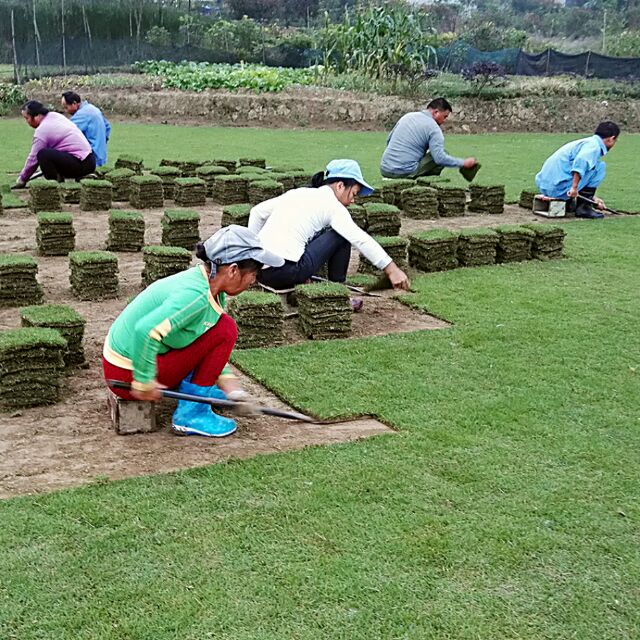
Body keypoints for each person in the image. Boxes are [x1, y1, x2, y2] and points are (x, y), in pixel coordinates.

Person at [103, 225, 285, 438]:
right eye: (254, 273)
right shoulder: (195, 296)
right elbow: (145, 330)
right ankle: (191, 414)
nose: (254, 280)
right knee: (226, 329)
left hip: (130, 362)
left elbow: (202, 340)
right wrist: (143, 381)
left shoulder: (210, 286)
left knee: (220, 328)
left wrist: (229, 384)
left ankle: (197, 394)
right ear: (233, 270)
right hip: (125, 373)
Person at [248, 159, 410, 294]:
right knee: (341, 236)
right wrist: (392, 269)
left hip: (261, 272)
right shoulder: (333, 206)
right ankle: (336, 290)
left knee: (319, 234)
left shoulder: (298, 193)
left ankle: (307, 279)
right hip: (287, 272)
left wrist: (251, 259)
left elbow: (256, 212)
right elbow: (360, 239)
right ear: (340, 186)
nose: (352, 200)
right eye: (353, 193)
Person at [535, 121, 620, 219]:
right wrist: (574, 188)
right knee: (599, 167)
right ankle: (584, 208)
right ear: (611, 138)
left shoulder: (586, 142)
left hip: (545, 186)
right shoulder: (594, 146)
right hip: (557, 189)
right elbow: (580, 163)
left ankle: (574, 202)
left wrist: (593, 199)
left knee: (592, 166)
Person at [380, 97, 478, 181]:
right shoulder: (434, 128)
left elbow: (389, 140)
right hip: (404, 172)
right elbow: (439, 158)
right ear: (436, 112)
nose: (444, 121)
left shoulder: (407, 116)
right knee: (441, 154)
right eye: (445, 117)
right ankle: (427, 185)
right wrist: (463, 163)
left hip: (385, 169)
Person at [14, 100, 96, 188]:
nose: (27, 122)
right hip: (90, 160)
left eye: (27, 118)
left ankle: (52, 186)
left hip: (81, 163)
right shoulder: (54, 116)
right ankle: (64, 177)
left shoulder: (42, 131)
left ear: (37, 116)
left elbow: (33, 159)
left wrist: (22, 179)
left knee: (43, 155)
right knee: (51, 152)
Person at [61, 91, 111, 168]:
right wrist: (100, 144)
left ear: (74, 104)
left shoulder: (82, 114)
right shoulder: (93, 109)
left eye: (66, 107)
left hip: (91, 158)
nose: (65, 111)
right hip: (101, 155)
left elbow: (66, 131)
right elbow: (107, 127)